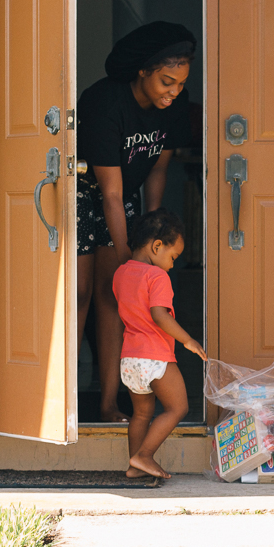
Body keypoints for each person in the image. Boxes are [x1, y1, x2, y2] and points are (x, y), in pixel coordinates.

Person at [76, 21, 196, 422]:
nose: (173, 92)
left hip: (122, 201)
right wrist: (130, 257)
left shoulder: (172, 109)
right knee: (79, 296)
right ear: (143, 71)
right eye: (166, 81)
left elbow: (157, 171)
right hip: (84, 197)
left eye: (180, 84)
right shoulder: (105, 103)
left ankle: (109, 403)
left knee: (115, 301)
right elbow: (108, 191)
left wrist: (152, 228)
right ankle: (64, 404)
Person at [112, 209, 207, 478]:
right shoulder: (157, 277)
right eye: (172, 257)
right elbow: (158, 314)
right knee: (178, 408)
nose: (173, 265)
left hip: (129, 360)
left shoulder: (121, 274)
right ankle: (144, 455)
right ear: (156, 246)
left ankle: (134, 466)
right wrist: (187, 340)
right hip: (155, 358)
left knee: (141, 414)